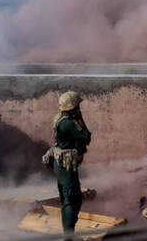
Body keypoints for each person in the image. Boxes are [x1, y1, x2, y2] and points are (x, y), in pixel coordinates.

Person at [42, 91, 92, 234]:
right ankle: (68, 234)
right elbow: (86, 137)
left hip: (61, 164)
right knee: (72, 200)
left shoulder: (60, 117)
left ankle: (67, 232)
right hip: (65, 166)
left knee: (67, 199)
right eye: (78, 106)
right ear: (73, 107)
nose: (79, 108)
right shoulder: (68, 123)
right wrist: (81, 119)